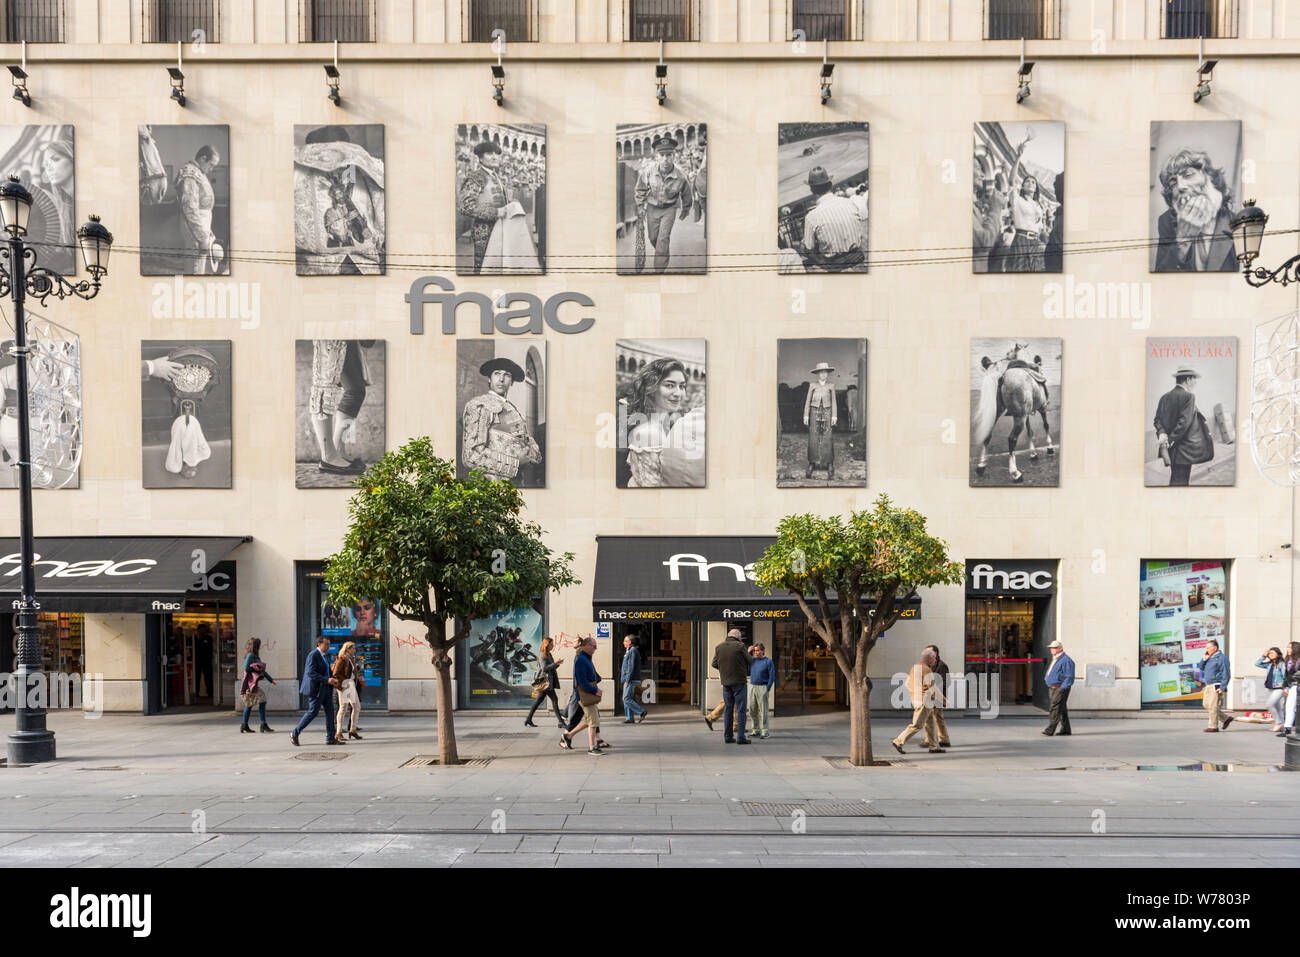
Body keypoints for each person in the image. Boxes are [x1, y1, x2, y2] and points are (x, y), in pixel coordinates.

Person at [620, 357, 703, 488]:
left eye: (682, 386)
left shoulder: (661, 424)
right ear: (651, 388)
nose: (678, 393)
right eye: (670, 385)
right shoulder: (649, 432)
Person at [1153, 148, 1238, 272]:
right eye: (1173, 183)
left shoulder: (1238, 224)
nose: (1180, 186)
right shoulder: (1166, 221)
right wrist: (1183, 240)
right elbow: (1161, 276)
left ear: (1210, 178)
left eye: (1188, 175)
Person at [460, 357, 542, 483]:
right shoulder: (479, 405)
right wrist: (516, 462)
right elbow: (471, 456)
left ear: (512, 382)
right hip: (489, 486)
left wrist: (530, 455)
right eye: (497, 373)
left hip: (515, 485)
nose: (501, 379)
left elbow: (530, 445)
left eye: (507, 375)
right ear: (489, 378)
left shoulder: (513, 410)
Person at [309, 339, 374, 476]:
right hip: (331, 331)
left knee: (355, 390)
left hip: (348, 335)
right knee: (324, 386)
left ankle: (337, 449)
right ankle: (328, 457)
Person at [634, 135, 692, 273]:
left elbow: (686, 194)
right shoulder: (648, 171)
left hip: (669, 209)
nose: (666, 159)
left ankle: (659, 269)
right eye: (662, 155)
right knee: (653, 237)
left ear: (674, 156)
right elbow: (640, 188)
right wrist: (641, 206)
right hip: (652, 208)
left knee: (663, 238)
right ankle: (663, 250)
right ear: (657, 156)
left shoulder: (680, 175)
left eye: (669, 155)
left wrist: (686, 209)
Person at [796, 166, 866, 271]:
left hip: (834, 264)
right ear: (830, 184)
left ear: (812, 190)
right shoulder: (849, 203)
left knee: (804, 245)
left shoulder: (811, 217)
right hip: (857, 257)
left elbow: (809, 247)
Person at [1153, 367, 1214, 486]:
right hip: (1184, 451)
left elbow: (1157, 420)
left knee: (1177, 478)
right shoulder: (1189, 396)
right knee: (1180, 481)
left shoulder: (1164, 397)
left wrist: (1162, 434)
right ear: (1188, 379)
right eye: (1194, 379)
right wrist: (1169, 441)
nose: (1195, 382)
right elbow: (1183, 424)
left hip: (1171, 450)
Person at [459, 140, 509, 273]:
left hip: (500, 228)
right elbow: (465, 206)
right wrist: (495, 212)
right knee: (484, 267)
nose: (494, 157)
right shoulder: (476, 176)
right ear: (480, 158)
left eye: (496, 154)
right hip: (484, 230)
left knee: (498, 266)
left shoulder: (496, 176)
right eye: (489, 153)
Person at [175, 144, 224, 274]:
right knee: (195, 268)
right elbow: (190, 208)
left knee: (199, 266)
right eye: (211, 165)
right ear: (203, 159)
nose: (212, 169)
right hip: (195, 230)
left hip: (200, 228)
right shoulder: (190, 173)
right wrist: (202, 237)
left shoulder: (198, 172)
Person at [892, 649, 944, 755]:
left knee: (930, 724)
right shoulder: (926, 669)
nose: (935, 660)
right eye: (934, 658)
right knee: (917, 724)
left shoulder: (914, 668)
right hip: (924, 700)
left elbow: (907, 684)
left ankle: (935, 746)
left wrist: (915, 692)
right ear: (929, 658)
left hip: (918, 699)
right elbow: (933, 688)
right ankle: (898, 741)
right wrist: (944, 700)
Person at [561, 636, 607, 754]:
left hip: (586, 694)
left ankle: (568, 736)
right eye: (594, 646)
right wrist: (594, 691)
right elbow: (581, 681)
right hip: (585, 695)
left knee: (588, 720)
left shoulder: (586, 658)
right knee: (594, 721)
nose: (595, 649)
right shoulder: (581, 659)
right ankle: (592, 747)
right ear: (587, 646)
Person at [291, 636, 339, 746]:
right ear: (319, 644)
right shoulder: (313, 655)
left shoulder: (325, 656)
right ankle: (295, 733)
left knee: (330, 713)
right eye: (326, 644)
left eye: (329, 644)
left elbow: (326, 671)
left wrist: (332, 679)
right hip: (316, 690)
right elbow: (311, 673)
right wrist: (327, 679)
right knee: (313, 712)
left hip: (326, 689)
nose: (328, 646)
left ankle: (331, 738)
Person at [712, 628, 753, 745]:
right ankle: (740, 737)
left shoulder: (719, 647)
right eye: (740, 637)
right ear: (737, 637)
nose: (741, 639)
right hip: (739, 682)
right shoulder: (740, 646)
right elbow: (750, 661)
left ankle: (728, 736)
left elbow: (714, 663)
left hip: (726, 683)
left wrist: (725, 670)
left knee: (728, 710)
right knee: (741, 710)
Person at [803, 362, 837, 480]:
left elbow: (834, 402)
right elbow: (808, 401)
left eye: (825, 372)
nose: (823, 374)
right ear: (818, 374)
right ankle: (812, 462)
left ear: (827, 374)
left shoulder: (831, 386)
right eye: (821, 372)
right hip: (814, 412)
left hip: (827, 413)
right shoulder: (812, 385)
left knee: (828, 436)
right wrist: (806, 415)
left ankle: (829, 463)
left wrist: (834, 416)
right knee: (813, 437)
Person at [238, 637, 277, 734]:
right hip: (249, 685)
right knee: (259, 701)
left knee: (250, 704)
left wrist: (271, 680)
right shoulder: (250, 656)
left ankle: (245, 725)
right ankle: (261, 724)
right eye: (259, 645)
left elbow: (262, 671)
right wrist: (257, 669)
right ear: (256, 646)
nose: (260, 647)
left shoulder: (255, 656)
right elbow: (247, 668)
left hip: (253, 685)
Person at [525, 637, 565, 728]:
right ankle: (560, 721)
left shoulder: (549, 654)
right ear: (547, 645)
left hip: (547, 681)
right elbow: (545, 668)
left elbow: (551, 668)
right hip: (545, 682)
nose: (553, 645)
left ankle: (528, 719)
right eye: (551, 644)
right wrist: (555, 663)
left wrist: (557, 664)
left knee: (538, 701)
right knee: (554, 700)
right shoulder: (543, 655)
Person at [1042, 639, 1075, 736]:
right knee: (1061, 708)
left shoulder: (1066, 660)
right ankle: (1066, 729)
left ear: (1060, 648)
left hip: (1059, 688)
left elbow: (1069, 676)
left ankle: (1050, 729)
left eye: (1054, 648)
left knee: (1055, 708)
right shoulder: (1056, 658)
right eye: (1051, 648)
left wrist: (1062, 688)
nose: (1052, 649)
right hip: (1053, 687)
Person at [923, 644, 952, 749]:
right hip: (930, 695)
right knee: (937, 718)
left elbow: (945, 682)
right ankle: (944, 739)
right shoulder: (928, 664)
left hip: (937, 696)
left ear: (936, 653)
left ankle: (930, 739)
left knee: (931, 718)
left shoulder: (941, 665)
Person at [332, 640, 362, 742]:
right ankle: (338, 732)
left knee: (356, 707)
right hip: (345, 685)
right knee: (344, 708)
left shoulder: (350, 659)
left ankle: (352, 730)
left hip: (350, 684)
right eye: (353, 648)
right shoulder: (342, 659)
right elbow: (335, 673)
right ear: (348, 649)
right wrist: (342, 685)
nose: (355, 650)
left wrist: (358, 666)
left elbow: (351, 672)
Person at [1200, 639, 1233, 732]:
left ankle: (1213, 727)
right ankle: (1226, 718)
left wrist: (1222, 687)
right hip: (1208, 685)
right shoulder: (1209, 657)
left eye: (1208, 647)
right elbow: (1201, 667)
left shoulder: (1222, 658)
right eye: (1206, 647)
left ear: (1215, 648)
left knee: (1213, 706)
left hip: (1216, 684)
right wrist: (1204, 659)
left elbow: (1226, 673)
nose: (1206, 649)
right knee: (1206, 705)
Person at [1256, 647, 1287, 732]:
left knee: (1269, 704)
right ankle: (1282, 725)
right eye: (1269, 653)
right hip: (1271, 687)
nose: (1270, 654)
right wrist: (1263, 655)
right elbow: (1257, 664)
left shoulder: (1281, 664)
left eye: (1273, 652)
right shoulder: (1269, 664)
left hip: (1279, 688)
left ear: (1278, 654)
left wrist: (1286, 687)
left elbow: (1285, 676)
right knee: (1277, 707)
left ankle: (1278, 723)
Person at [748, 643, 775, 739]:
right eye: (755, 651)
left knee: (763, 711)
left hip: (762, 687)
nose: (756, 652)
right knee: (752, 710)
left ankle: (765, 731)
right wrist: (748, 652)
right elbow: (743, 662)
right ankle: (755, 730)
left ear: (763, 651)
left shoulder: (768, 661)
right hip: (752, 687)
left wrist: (767, 688)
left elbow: (772, 676)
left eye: (758, 650)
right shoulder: (752, 660)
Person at [620, 635, 646, 724]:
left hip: (630, 679)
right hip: (628, 679)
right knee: (627, 698)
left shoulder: (633, 650)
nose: (623, 642)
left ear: (629, 642)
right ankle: (629, 718)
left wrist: (628, 680)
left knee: (626, 698)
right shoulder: (629, 650)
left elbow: (631, 667)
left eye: (625, 641)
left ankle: (641, 711)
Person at [1279, 642, 1300, 737]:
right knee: (1289, 706)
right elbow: (1286, 675)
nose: (1288, 649)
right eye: (1288, 647)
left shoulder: (1298, 661)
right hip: (1292, 686)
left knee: (1293, 707)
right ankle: (1287, 728)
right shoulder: (1288, 660)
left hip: (1297, 686)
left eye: (1290, 647)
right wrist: (1285, 686)